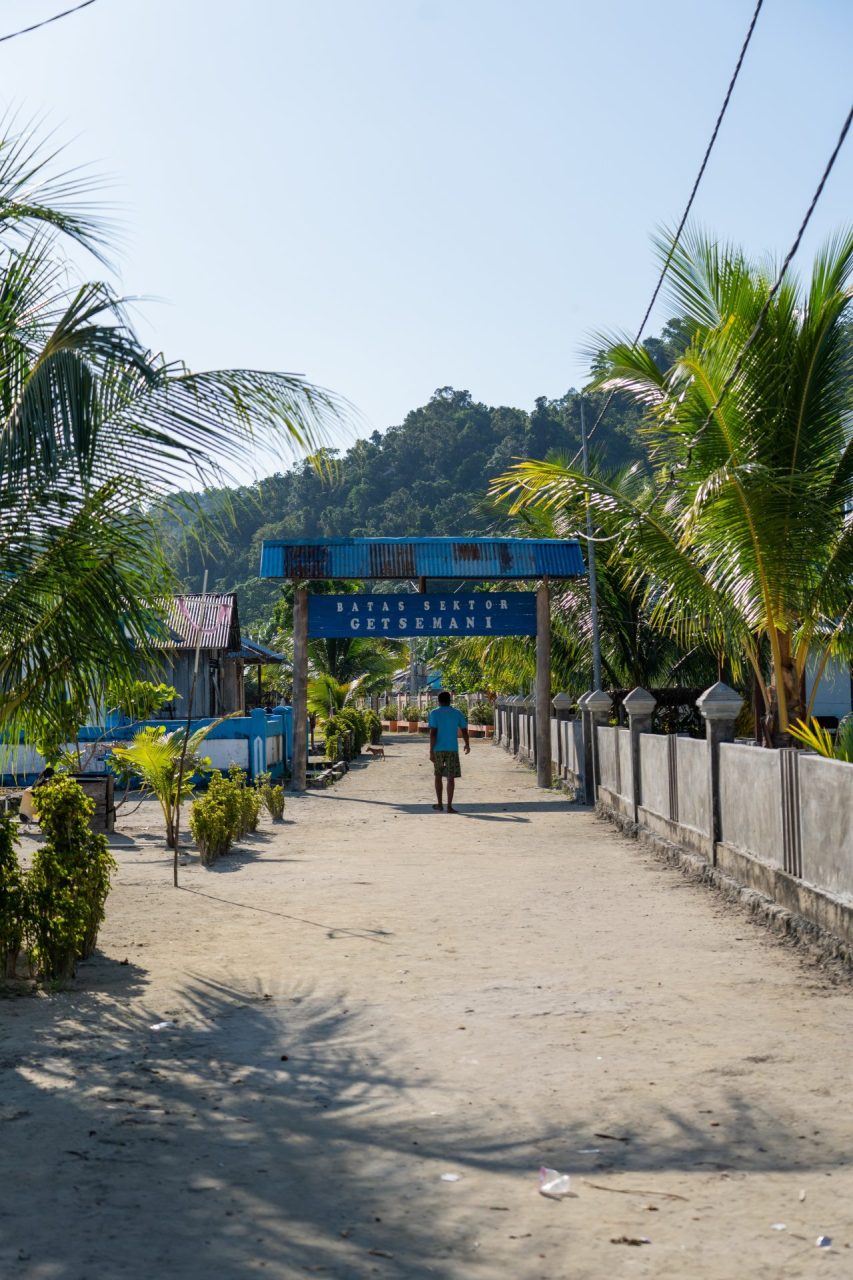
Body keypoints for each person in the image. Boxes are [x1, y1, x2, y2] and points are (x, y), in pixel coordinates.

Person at [428, 691, 470, 813]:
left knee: (438, 776)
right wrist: (467, 744)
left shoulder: (434, 713)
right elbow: (464, 730)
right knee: (450, 778)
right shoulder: (457, 713)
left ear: (438, 701)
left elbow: (433, 733)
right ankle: (449, 806)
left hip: (438, 749)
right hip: (452, 749)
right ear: (450, 700)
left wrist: (431, 751)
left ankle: (440, 804)